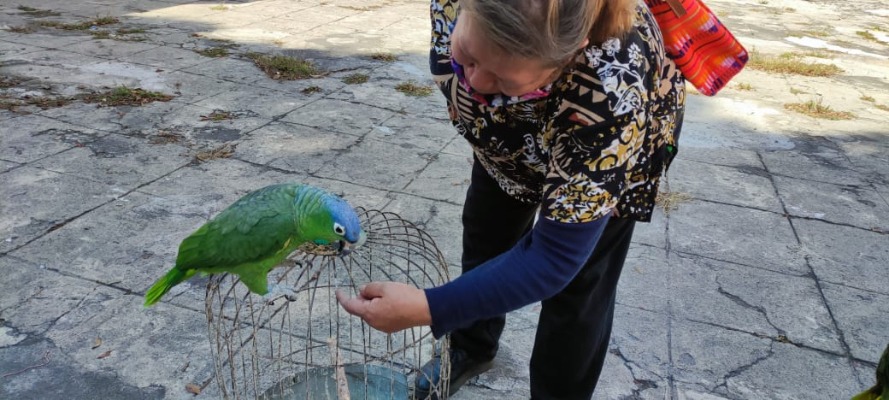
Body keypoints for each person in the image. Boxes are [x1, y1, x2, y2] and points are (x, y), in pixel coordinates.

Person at [336, 0, 685, 398]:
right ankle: (470, 348)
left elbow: (554, 256)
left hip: (602, 154)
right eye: (466, 56)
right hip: (508, 144)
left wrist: (431, 307)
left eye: (505, 83)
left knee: (578, 291)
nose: (477, 84)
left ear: (568, 56)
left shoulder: (611, 90)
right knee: (486, 234)